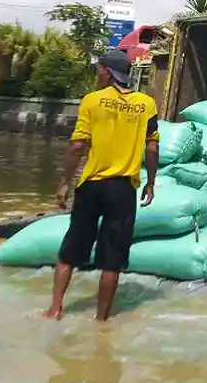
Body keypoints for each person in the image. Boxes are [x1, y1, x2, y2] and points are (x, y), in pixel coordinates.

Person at [43, 49, 159, 322]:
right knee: (112, 259)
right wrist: (151, 183)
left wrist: (64, 184)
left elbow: (77, 147)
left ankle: (55, 309)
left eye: (99, 70)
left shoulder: (92, 101)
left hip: (92, 185)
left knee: (70, 249)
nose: (97, 74)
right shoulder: (147, 104)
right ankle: (101, 320)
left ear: (107, 71)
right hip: (123, 189)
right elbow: (152, 149)